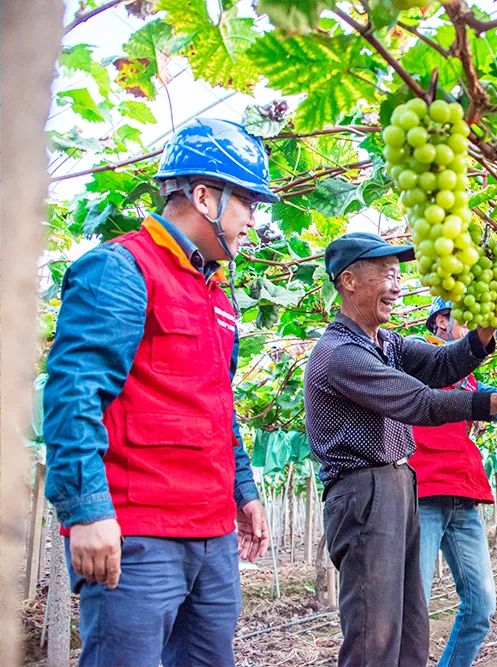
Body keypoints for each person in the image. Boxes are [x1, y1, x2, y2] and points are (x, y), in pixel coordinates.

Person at [43, 118, 274, 667]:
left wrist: (243, 490)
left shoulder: (218, 296)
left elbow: (219, 407)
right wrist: (87, 509)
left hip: (213, 537)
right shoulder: (121, 269)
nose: (253, 222)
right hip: (139, 537)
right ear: (203, 196)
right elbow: (75, 395)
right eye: (247, 203)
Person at [305, 232, 497, 666]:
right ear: (348, 281)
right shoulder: (339, 354)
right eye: (386, 275)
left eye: (398, 275)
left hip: (397, 485)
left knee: (410, 628)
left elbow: (441, 364)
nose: (397, 286)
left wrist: (486, 328)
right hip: (363, 493)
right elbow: (420, 402)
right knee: (376, 633)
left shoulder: (383, 343)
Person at [409, 297, 497, 667]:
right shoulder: (416, 356)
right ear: (441, 320)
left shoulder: (468, 378)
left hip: (463, 497)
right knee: (413, 609)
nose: (478, 327)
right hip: (422, 495)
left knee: (482, 605)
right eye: (467, 318)